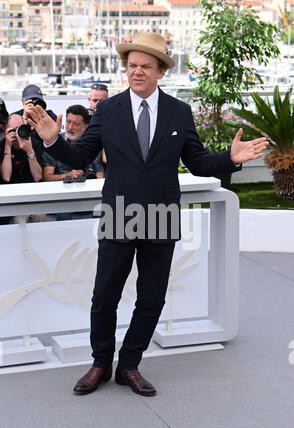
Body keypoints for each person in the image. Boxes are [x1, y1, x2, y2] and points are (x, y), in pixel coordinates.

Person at [28, 31, 269, 397]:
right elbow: (79, 158)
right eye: (131, 66)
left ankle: (129, 365)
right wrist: (53, 139)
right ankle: (99, 364)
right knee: (105, 294)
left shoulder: (179, 111)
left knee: (152, 296)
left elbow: (198, 162)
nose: (136, 72)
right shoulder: (108, 110)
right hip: (119, 212)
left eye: (145, 66)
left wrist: (230, 160)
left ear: (161, 72)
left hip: (161, 213)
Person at [15, 84, 56, 160]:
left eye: (38, 101)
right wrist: (24, 118)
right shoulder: (15, 117)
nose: (34, 105)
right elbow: (16, 142)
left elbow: (53, 141)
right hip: (23, 157)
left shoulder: (49, 116)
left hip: (45, 158)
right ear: (23, 102)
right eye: (31, 102)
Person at [0, 113, 42, 184]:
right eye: (13, 130)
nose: (17, 134)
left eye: (19, 128)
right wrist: (7, 148)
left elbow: (38, 177)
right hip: (11, 189)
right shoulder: (2, 145)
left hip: (32, 187)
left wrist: (29, 150)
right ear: (6, 131)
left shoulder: (35, 143)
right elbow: (6, 178)